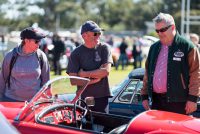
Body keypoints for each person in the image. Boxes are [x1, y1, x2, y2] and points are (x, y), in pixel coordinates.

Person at [141, 13, 200, 115]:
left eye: (162, 30)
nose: (159, 33)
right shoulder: (154, 47)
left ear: (172, 27)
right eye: (157, 30)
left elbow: (196, 74)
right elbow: (147, 72)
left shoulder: (187, 47)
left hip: (179, 102)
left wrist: (193, 98)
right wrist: (145, 96)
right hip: (156, 100)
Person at [66, 20, 113, 113]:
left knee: (104, 125)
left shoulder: (104, 48)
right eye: (95, 33)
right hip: (84, 98)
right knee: (86, 126)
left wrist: (84, 74)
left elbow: (105, 72)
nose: (99, 35)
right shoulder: (76, 53)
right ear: (84, 36)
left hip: (102, 97)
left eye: (99, 33)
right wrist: (95, 79)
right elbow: (73, 80)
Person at [0, 27, 50, 102]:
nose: (39, 44)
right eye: (36, 41)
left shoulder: (41, 56)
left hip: (34, 102)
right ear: (26, 41)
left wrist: (47, 99)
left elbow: (46, 82)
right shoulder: (11, 56)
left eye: (40, 41)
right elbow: (2, 79)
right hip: (11, 100)